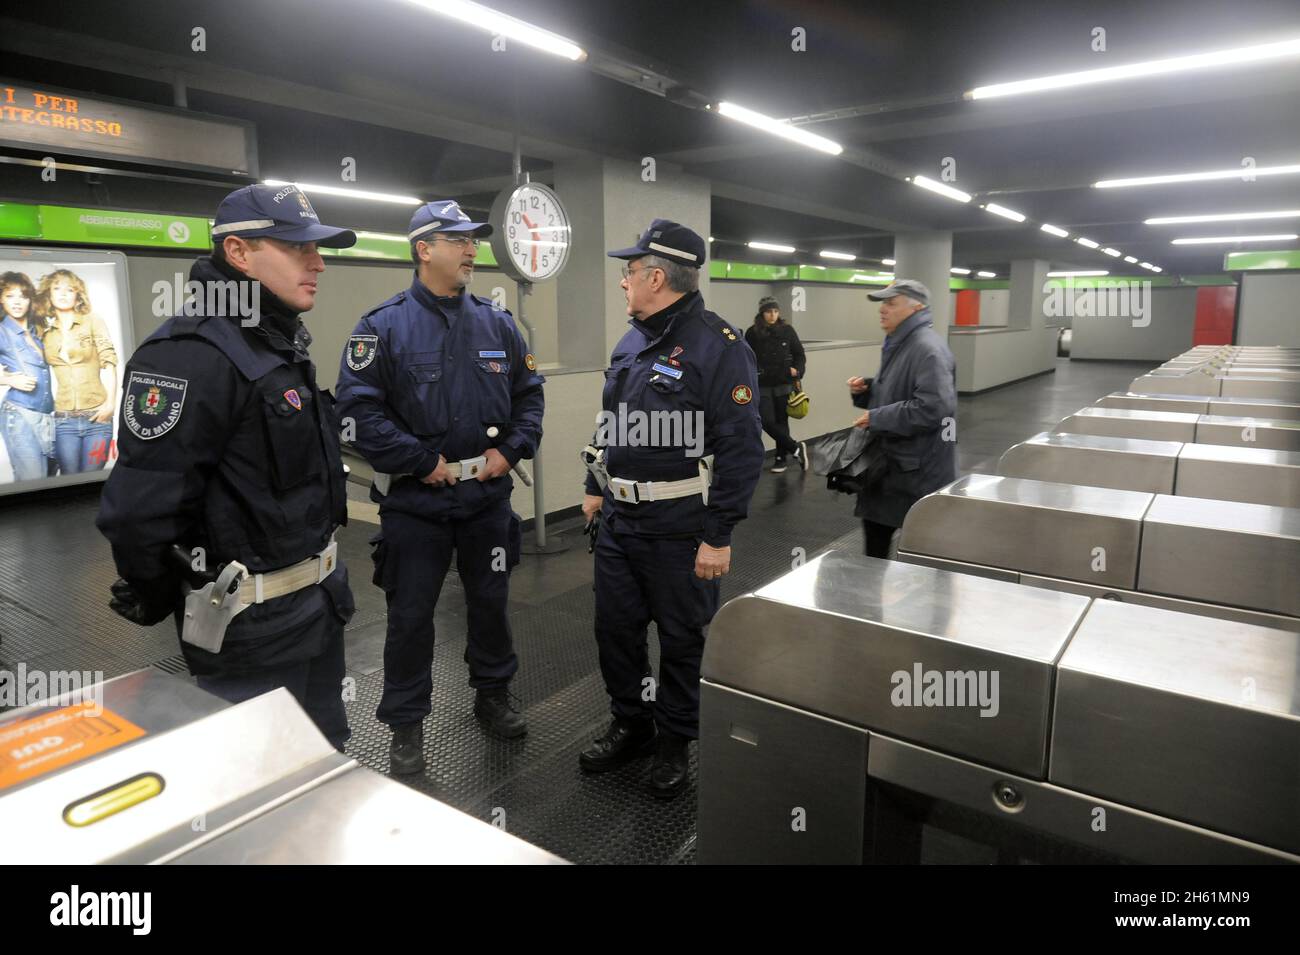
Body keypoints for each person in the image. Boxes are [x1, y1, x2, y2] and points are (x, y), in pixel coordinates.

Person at [96, 183, 358, 750]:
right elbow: (140, 511)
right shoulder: (190, 355)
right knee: (259, 786)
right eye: (297, 248)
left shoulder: (275, 342)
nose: (317, 263)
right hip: (250, 634)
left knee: (328, 762)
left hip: (316, 610)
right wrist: (165, 587)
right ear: (238, 252)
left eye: (317, 249)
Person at [335, 199, 545, 776]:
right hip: (415, 504)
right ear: (424, 249)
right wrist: (420, 459)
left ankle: (493, 695)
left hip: (485, 501)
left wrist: (510, 450)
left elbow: (531, 398)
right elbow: (355, 414)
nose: (472, 248)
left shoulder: (499, 323)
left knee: (491, 605)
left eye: (472, 239)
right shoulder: (381, 327)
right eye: (458, 239)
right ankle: (405, 723)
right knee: (410, 615)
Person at [579, 218, 764, 798]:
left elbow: (741, 446)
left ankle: (674, 741)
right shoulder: (631, 338)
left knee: (683, 638)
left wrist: (719, 535)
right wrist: (593, 480)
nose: (623, 282)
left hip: (681, 527)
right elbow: (612, 418)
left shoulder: (720, 346)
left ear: (656, 276)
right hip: (619, 520)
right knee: (617, 629)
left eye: (629, 272)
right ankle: (631, 723)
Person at [847, 279, 957, 559]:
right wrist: (869, 390)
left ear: (915, 307)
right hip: (894, 469)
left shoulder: (926, 348)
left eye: (891, 303)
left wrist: (877, 416)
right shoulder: (901, 342)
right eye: (882, 303)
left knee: (915, 557)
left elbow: (934, 407)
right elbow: (907, 391)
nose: (882, 309)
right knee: (877, 542)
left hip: (914, 474)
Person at [37, 269, 117, 474]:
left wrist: (110, 405)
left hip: (98, 420)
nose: (63, 294)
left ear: (77, 294)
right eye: (57, 289)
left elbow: (109, 362)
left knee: (93, 476)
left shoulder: (93, 321)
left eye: (69, 289)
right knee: (69, 478)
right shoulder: (44, 332)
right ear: (49, 294)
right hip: (64, 422)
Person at [0, 272, 55, 482]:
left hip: (46, 417)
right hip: (19, 414)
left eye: (22, 296)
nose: (17, 302)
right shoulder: (2, 332)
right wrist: (8, 380)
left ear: (30, 299)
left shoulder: (36, 332)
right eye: (10, 296)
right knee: (33, 480)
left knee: (48, 480)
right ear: (1, 299)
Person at [744, 295, 807, 473]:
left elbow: (799, 354)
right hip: (762, 384)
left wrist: (797, 370)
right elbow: (747, 357)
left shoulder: (787, 330)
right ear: (762, 313)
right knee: (765, 420)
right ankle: (795, 447)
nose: (772, 315)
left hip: (784, 382)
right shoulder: (752, 333)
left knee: (781, 420)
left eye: (775, 311)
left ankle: (781, 458)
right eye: (769, 312)